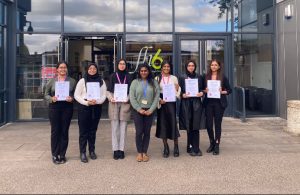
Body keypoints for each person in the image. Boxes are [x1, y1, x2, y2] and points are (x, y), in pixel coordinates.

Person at [44, 61, 76, 164]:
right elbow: (46, 94)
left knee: (64, 131)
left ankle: (62, 154)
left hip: (67, 107)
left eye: (64, 67)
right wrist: (51, 98)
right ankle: (54, 154)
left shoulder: (72, 81)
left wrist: (72, 98)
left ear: (67, 69)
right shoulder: (51, 81)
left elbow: (76, 94)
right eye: (61, 67)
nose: (63, 69)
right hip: (54, 107)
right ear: (57, 69)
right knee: (55, 131)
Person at [74, 63, 107, 163]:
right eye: (90, 68)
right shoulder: (82, 81)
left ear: (97, 70)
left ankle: (92, 151)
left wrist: (97, 101)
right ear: (87, 70)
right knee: (83, 132)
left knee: (93, 131)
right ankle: (82, 152)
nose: (92, 70)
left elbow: (104, 95)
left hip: (96, 108)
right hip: (84, 108)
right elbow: (76, 95)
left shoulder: (101, 81)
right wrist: (86, 102)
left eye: (94, 68)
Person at [129, 63, 160, 162]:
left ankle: (145, 152)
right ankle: (139, 152)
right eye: (141, 71)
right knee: (139, 132)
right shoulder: (134, 82)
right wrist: (139, 109)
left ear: (148, 71)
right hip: (137, 110)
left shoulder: (154, 82)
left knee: (147, 132)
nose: (143, 72)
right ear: (139, 71)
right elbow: (132, 97)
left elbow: (156, 96)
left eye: (145, 71)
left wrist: (151, 109)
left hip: (150, 110)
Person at [203, 59, 232, 155]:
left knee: (218, 124)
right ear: (210, 66)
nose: (214, 66)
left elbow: (229, 90)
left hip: (219, 103)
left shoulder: (223, 77)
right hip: (208, 103)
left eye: (216, 65)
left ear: (219, 67)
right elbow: (202, 89)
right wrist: (205, 90)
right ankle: (211, 142)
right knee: (208, 124)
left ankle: (217, 144)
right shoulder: (206, 77)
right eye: (212, 65)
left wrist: (223, 91)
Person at [106, 59, 132, 160]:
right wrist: (110, 98)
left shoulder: (129, 76)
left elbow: (131, 91)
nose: (122, 66)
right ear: (117, 65)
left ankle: (121, 150)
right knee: (115, 127)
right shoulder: (112, 76)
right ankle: (115, 150)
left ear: (126, 65)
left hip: (125, 102)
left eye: (123, 64)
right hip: (114, 102)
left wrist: (128, 98)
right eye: (120, 64)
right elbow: (107, 91)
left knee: (123, 127)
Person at [178, 60, 205, 156]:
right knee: (189, 125)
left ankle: (196, 148)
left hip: (196, 103)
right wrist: (182, 95)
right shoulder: (182, 77)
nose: (191, 67)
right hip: (186, 103)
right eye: (189, 65)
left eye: (193, 65)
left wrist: (202, 93)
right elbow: (178, 90)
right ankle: (189, 147)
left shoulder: (199, 77)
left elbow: (203, 89)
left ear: (195, 66)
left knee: (196, 126)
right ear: (186, 66)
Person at [155, 61, 181, 158]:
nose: (166, 68)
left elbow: (178, 90)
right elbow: (155, 92)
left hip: (171, 102)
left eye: (168, 66)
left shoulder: (174, 78)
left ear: (170, 68)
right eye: (164, 66)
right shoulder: (157, 78)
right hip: (162, 103)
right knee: (163, 124)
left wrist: (178, 90)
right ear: (161, 68)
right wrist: (159, 100)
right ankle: (165, 147)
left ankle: (176, 146)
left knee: (173, 123)